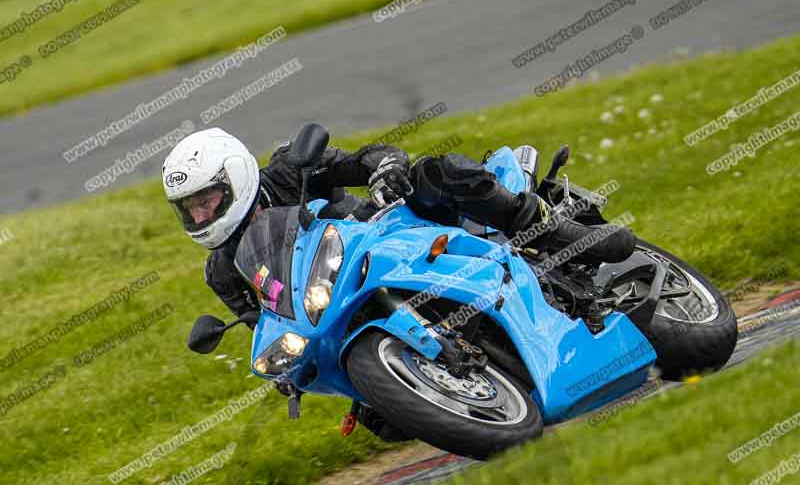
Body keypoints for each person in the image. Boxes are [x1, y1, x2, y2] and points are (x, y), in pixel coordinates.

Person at [162, 126, 635, 438]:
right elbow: (266, 317)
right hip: (341, 303)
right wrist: (290, 373)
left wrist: (386, 170)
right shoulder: (222, 270)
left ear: (236, 178)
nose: (201, 215)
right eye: (191, 208)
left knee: (436, 172)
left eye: (207, 200)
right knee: (383, 423)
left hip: (390, 232)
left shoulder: (289, 169)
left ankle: (541, 226)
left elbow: (367, 158)